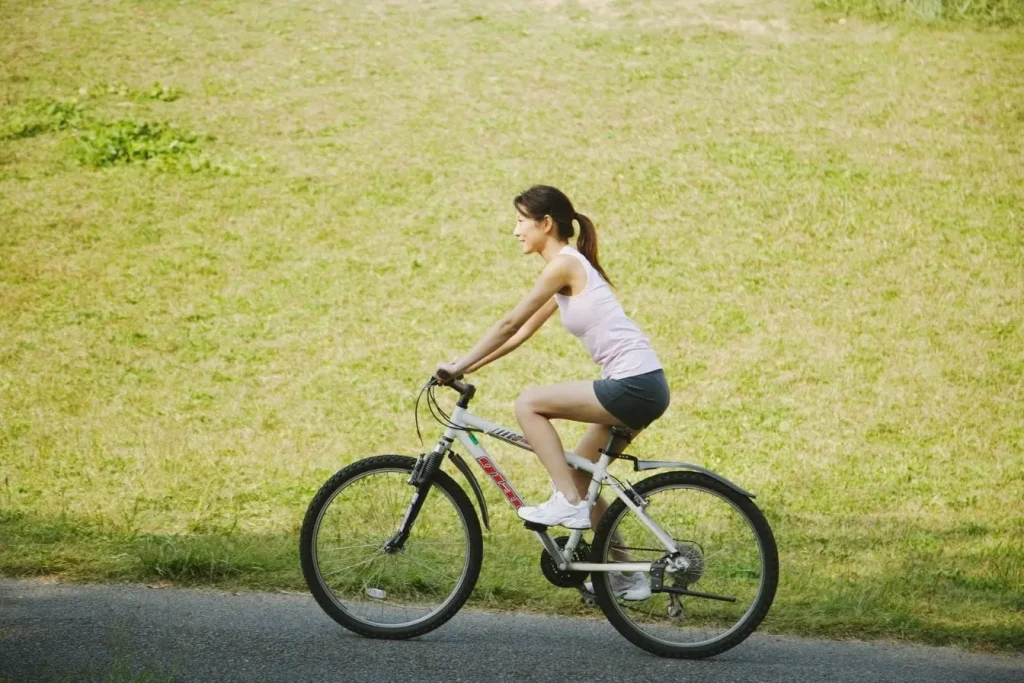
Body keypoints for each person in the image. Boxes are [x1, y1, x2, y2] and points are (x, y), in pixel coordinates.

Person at [435, 185, 670, 598]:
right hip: (644, 384)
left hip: (633, 384)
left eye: (520, 221)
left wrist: (457, 365)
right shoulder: (567, 268)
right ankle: (626, 574)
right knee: (580, 473)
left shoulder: (564, 265)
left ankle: (567, 502)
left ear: (546, 223)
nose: (515, 231)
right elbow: (521, 333)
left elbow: (509, 322)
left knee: (529, 404)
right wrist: (466, 366)